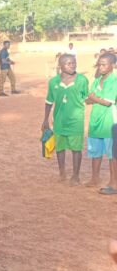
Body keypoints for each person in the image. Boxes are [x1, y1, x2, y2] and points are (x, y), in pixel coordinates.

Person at [42, 53, 88, 184]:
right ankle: (62, 173)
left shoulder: (82, 80)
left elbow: (87, 98)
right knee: (60, 147)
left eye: (74, 63)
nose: (72, 65)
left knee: (76, 148)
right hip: (59, 120)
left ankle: (75, 176)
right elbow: (49, 101)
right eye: (68, 63)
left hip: (76, 120)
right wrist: (45, 119)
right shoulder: (53, 82)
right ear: (60, 66)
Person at [85, 53, 117, 190]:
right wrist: (94, 97)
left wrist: (93, 97)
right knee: (95, 152)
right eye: (99, 64)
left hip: (109, 123)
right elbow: (87, 100)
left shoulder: (114, 81)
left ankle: (114, 181)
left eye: (104, 64)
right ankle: (95, 178)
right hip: (95, 121)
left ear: (113, 65)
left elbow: (108, 102)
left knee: (112, 155)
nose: (101, 67)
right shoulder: (97, 80)